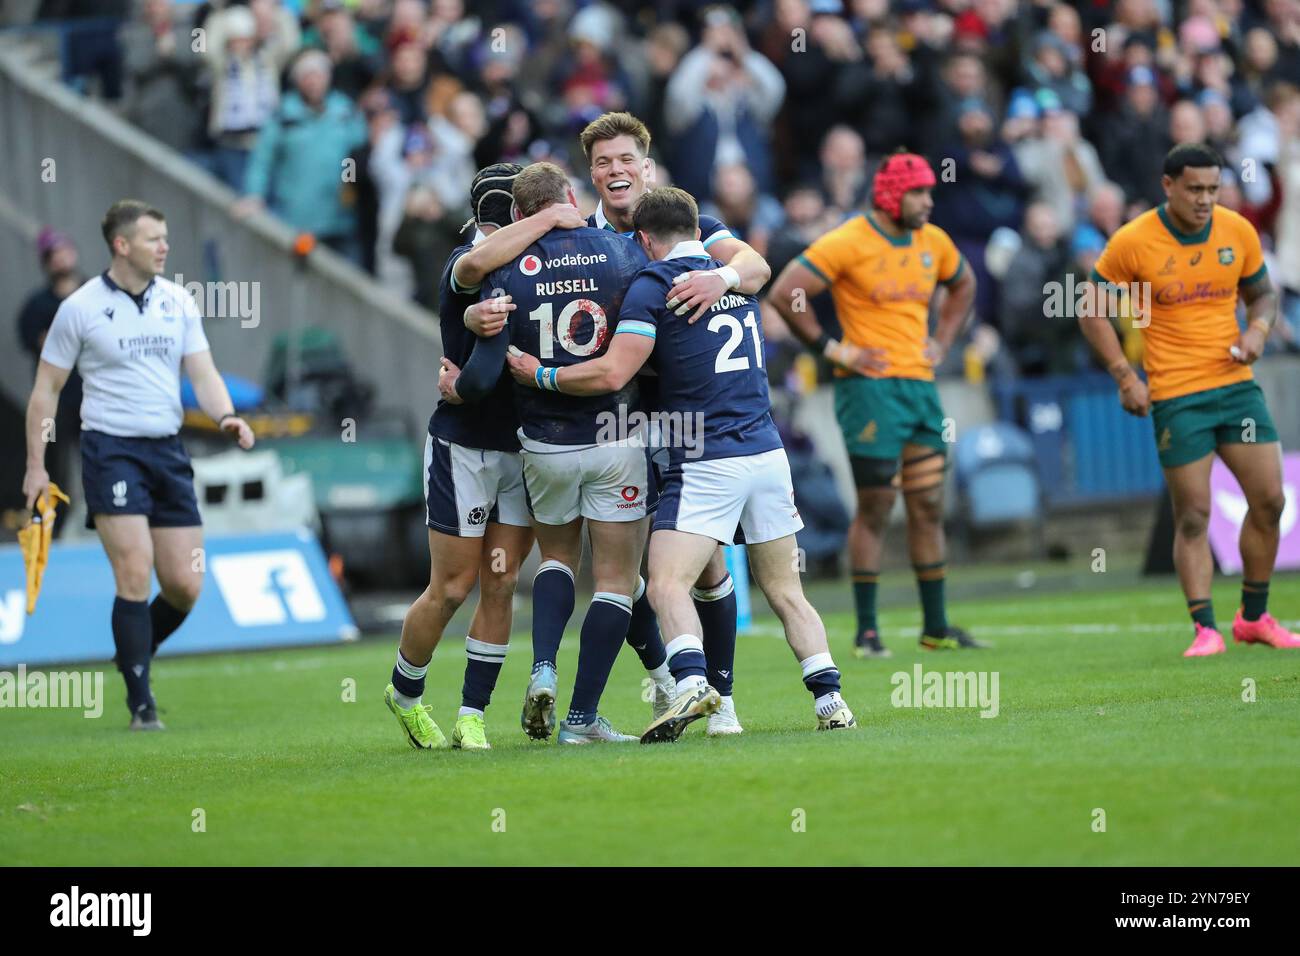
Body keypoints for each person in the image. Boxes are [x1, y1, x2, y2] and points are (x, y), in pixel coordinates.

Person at [505, 186, 858, 740]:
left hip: (706, 456)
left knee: (666, 581)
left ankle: (693, 685)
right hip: (767, 452)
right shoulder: (734, 278)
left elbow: (612, 373)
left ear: (644, 239)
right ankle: (830, 700)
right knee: (787, 591)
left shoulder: (653, 284)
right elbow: (753, 270)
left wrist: (540, 374)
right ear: (699, 231)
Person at [443, 162, 655, 745]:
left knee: (556, 561)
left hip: (543, 442)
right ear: (570, 196)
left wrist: (457, 382)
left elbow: (484, 363)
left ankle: (542, 669)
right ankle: (582, 719)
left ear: (517, 216)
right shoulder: (619, 251)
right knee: (614, 580)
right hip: (615, 433)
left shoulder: (504, 266)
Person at [22, 200, 255, 730]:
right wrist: (37, 467)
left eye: (165, 237)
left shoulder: (178, 301)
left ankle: (131, 653)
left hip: (167, 450)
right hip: (111, 450)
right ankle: (141, 705)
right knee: (133, 571)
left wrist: (226, 417)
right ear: (121, 245)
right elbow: (45, 391)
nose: (164, 246)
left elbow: (204, 372)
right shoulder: (79, 308)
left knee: (184, 585)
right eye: (153, 238)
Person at [382, 163, 586, 751]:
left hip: (523, 443)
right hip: (463, 445)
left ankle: (472, 714)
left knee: (500, 583)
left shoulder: (544, 256)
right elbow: (471, 281)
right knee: (450, 586)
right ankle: (405, 692)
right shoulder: (469, 257)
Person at [1078, 143, 1300, 656]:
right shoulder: (1134, 241)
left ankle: (1254, 617)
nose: (1205, 200)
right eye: (1195, 189)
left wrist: (1259, 331)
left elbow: (1263, 294)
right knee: (1195, 514)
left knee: (1270, 500)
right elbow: (1088, 304)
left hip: (1236, 384)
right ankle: (1205, 628)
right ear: (1169, 186)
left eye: (1213, 189)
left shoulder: (1237, 230)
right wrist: (1123, 375)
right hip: (1177, 394)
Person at [765, 152, 985, 659]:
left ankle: (936, 627)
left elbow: (964, 283)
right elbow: (786, 292)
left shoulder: (934, 241)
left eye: (931, 192)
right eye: (919, 193)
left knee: (928, 504)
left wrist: (945, 339)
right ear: (891, 195)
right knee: (877, 506)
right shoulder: (849, 240)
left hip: (920, 387)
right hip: (867, 390)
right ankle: (867, 632)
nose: (929, 202)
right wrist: (834, 350)